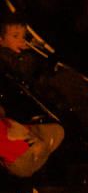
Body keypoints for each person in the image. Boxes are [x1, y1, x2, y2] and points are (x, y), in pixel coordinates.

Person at [0, 16, 65, 179]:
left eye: (23, 36)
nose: (21, 41)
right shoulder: (7, 59)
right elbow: (22, 70)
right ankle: (27, 157)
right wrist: (37, 57)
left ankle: (36, 151)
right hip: (17, 110)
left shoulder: (17, 58)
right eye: (15, 36)